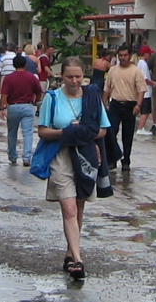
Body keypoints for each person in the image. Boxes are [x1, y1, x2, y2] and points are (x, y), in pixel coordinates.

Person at [33, 56, 113, 281]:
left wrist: (81, 133)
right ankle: (78, 259)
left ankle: (70, 251)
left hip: (85, 156)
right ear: (62, 76)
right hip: (61, 155)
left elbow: (103, 130)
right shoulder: (52, 98)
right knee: (68, 208)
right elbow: (43, 131)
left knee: (78, 208)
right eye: (70, 77)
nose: (75, 81)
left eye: (78, 76)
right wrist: (67, 132)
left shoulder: (92, 98)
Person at [103, 46, 148, 169]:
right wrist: (103, 104)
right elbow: (107, 88)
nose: (123, 58)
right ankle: (112, 158)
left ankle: (126, 160)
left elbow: (141, 90)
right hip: (115, 104)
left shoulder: (135, 71)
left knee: (127, 135)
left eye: (125, 55)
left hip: (130, 105)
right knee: (111, 132)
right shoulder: (112, 70)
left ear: (130, 56)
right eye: (121, 55)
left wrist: (139, 105)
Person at [0, 53, 43, 166]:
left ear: (14, 65)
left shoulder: (9, 78)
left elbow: (4, 94)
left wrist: (2, 108)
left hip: (13, 106)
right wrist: (35, 101)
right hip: (28, 106)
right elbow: (39, 91)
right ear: (26, 64)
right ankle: (27, 157)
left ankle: (13, 156)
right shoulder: (31, 77)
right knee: (28, 133)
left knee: (12, 133)